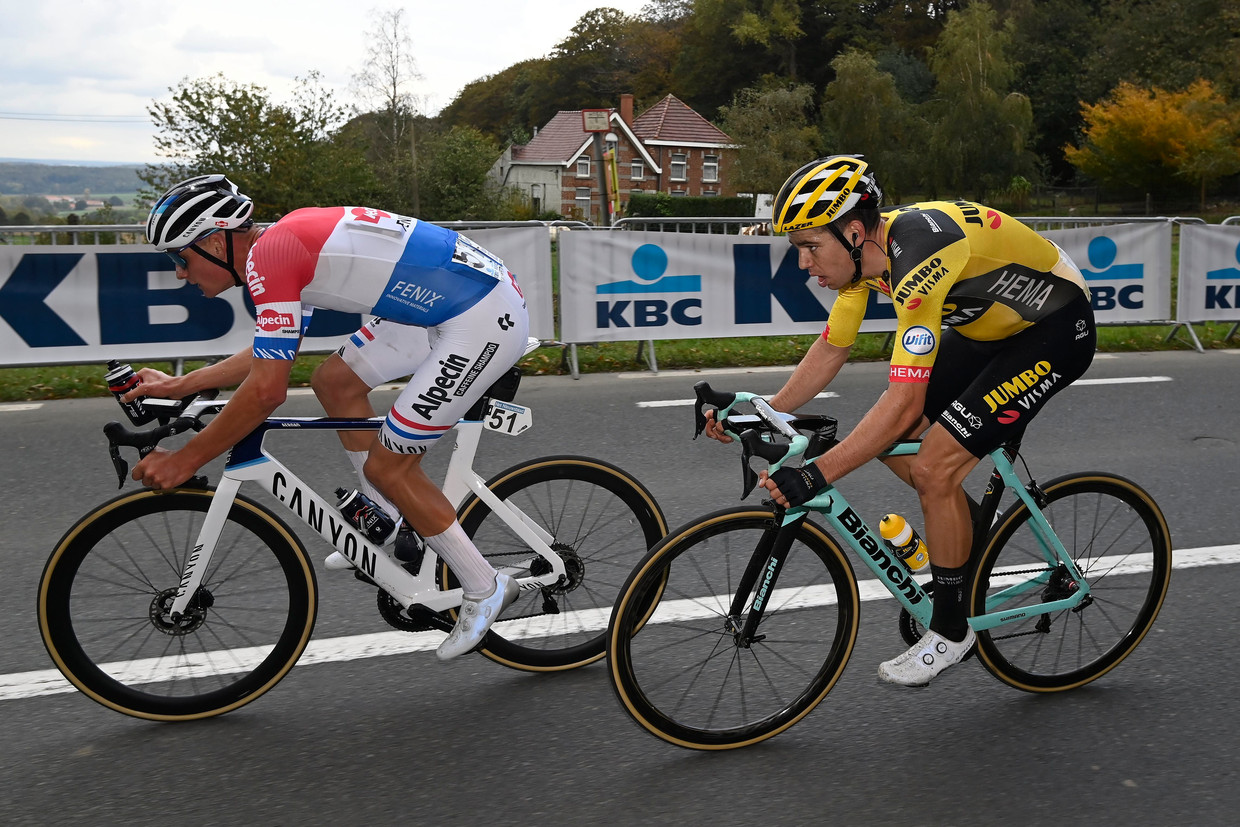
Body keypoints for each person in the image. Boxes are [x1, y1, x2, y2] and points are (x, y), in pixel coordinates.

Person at [705, 155, 1096, 687]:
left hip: (1052, 328)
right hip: (990, 330)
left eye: (809, 246)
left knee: (932, 464)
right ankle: (958, 547)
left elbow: (906, 402)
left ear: (854, 231)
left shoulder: (917, 257)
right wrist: (762, 408)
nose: (801, 263)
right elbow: (832, 348)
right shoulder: (865, 260)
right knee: (891, 443)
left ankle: (953, 627)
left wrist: (817, 474)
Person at [128, 173, 531, 661]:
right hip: (440, 305)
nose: (179, 273)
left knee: (390, 465)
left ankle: (484, 587)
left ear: (214, 241)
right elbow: (270, 355)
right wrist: (179, 384)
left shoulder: (271, 257)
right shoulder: (276, 249)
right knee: (334, 382)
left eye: (180, 258)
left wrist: (186, 460)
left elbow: (265, 392)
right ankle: (385, 518)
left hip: (477, 317)